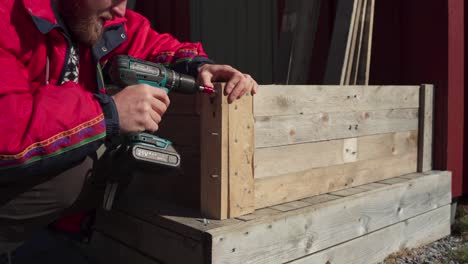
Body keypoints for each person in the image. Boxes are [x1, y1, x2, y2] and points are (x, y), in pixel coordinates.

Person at [0, 0, 258, 255]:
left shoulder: (95, 20)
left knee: (111, 162)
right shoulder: (8, 17)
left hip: (53, 221)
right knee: (74, 175)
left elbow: (152, 42)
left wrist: (199, 65)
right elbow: (7, 129)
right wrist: (107, 114)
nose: (120, 10)